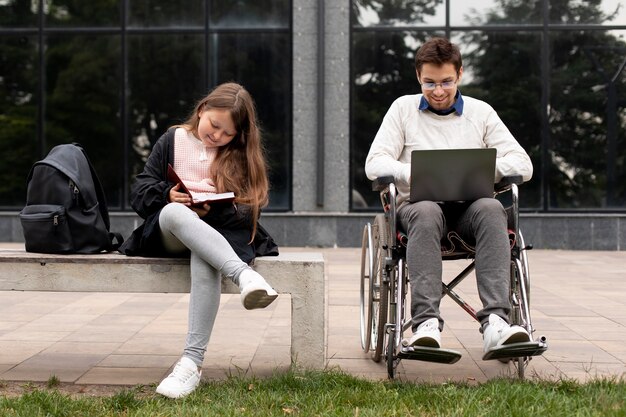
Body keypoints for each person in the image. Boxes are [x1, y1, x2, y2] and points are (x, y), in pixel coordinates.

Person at [365, 37, 533, 355]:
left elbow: (523, 164)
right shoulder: (402, 109)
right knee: (427, 212)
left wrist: (488, 169)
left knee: (492, 209)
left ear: (460, 74)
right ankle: (426, 324)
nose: (439, 91)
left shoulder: (481, 113)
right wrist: (407, 172)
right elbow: (374, 164)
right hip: (418, 208)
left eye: (446, 82)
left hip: (470, 209)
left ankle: (497, 323)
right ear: (418, 77)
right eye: (430, 83)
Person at [119, 82, 279, 398]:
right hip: (170, 233)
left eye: (227, 133)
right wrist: (168, 194)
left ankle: (190, 364)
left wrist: (212, 211)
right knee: (175, 214)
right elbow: (139, 191)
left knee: (205, 255)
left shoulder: (239, 154)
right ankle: (244, 276)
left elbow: (249, 211)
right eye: (214, 125)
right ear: (202, 109)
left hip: (215, 236)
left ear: (239, 135)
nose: (217, 136)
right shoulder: (173, 139)